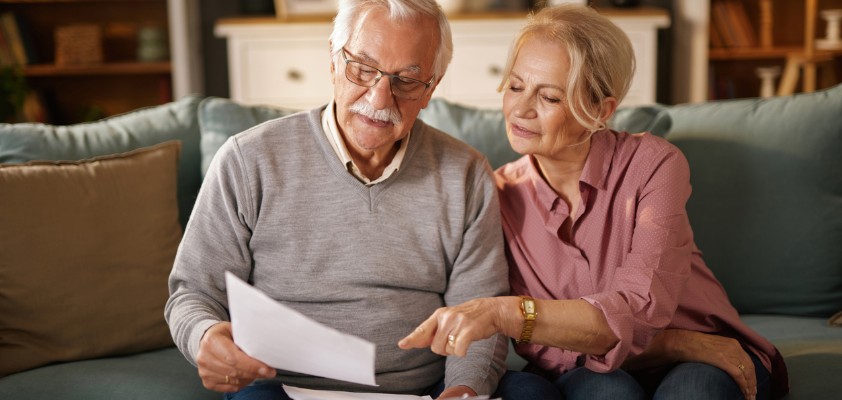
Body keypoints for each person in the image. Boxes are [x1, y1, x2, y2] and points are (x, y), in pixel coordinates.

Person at [399, 4, 788, 400]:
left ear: (601, 110)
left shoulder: (654, 165)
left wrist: (524, 317)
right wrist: (677, 342)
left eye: (549, 97)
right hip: (604, 366)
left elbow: (639, 309)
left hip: (707, 354)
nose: (521, 109)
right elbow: (545, 350)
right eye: (515, 87)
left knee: (693, 390)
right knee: (605, 391)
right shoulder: (497, 195)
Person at [164, 0, 510, 398]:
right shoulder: (247, 159)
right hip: (280, 386)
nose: (379, 99)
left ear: (431, 87)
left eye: (406, 80)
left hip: (424, 389)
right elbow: (194, 292)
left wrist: (463, 390)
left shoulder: (466, 173)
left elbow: (480, 314)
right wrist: (206, 337)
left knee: (530, 392)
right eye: (362, 68)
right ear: (333, 59)